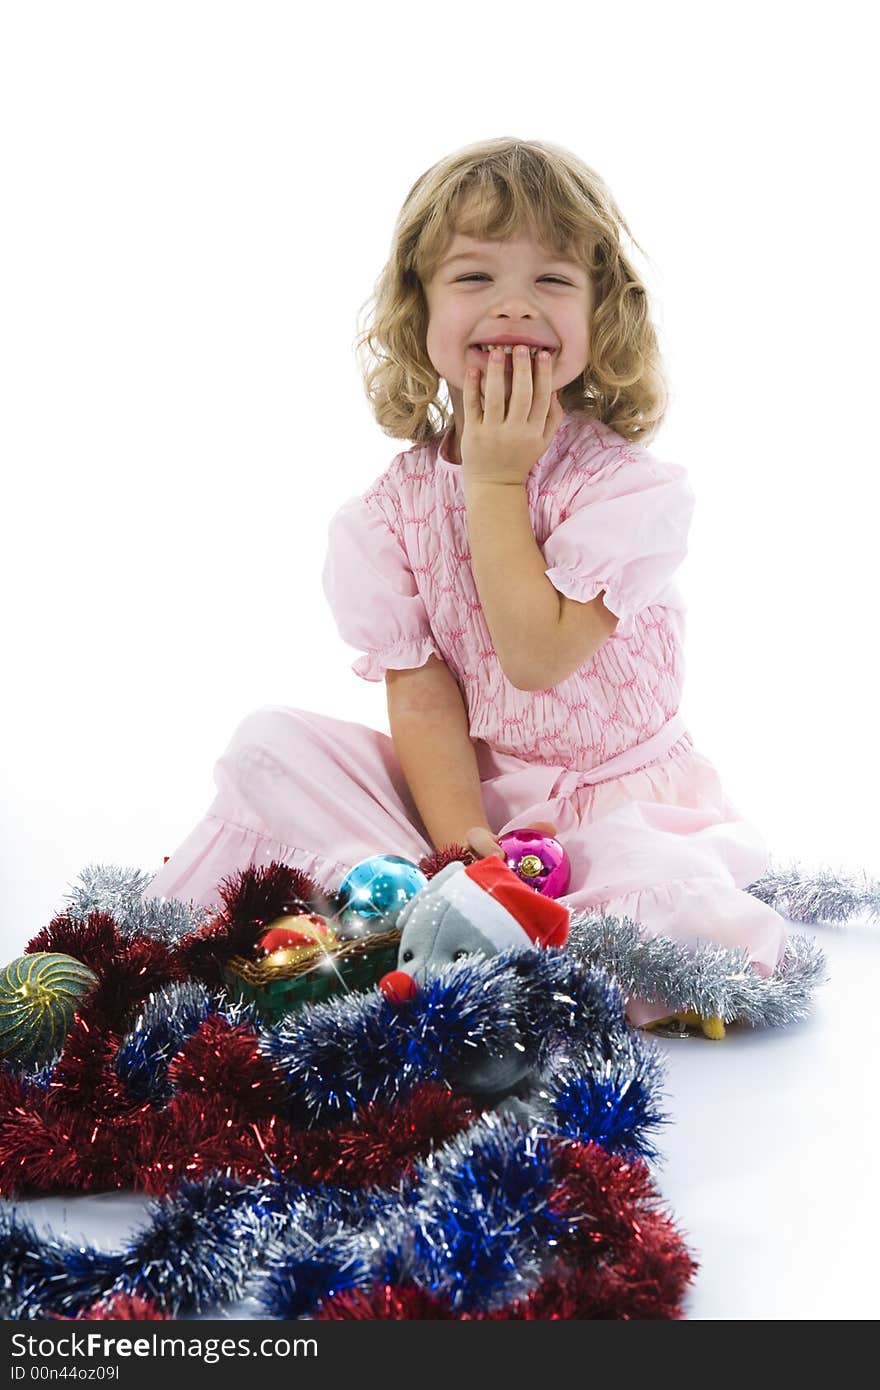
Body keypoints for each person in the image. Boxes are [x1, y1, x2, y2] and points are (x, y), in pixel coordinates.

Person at [142, 136, 787, 1032]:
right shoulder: (386, 513)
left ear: (604, 317)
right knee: (268, 742)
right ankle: (442, 913)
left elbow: (535, 656)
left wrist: (495, 482)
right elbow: (425, 694)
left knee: (667, 896)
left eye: (554, 282)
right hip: (471, 800)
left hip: (618, 807)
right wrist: (457, 848)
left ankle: (463, 946)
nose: (515, 305)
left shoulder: (630, 492)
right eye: (476, 278)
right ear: (420, 312)